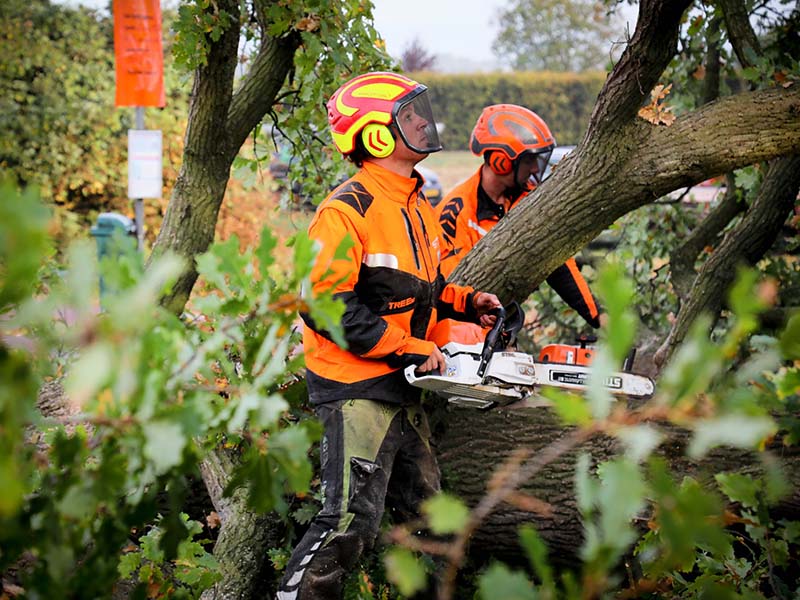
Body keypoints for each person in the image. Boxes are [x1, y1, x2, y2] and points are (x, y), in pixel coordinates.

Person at [277, 72, 502, 600]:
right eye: (410, 116)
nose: (424, 122)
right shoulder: (345, 210)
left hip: (402, 383)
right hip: (356, 387)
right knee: (348, 523)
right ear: (376, 136)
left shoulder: (414, 204)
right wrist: (410, 347)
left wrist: (467, 301)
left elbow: (425, 285)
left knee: (429, 516)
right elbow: (324, 306)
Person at [436, 104, 605, 329]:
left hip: (501, 321)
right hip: (454, 330)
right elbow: (450, 281)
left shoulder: (528, 200)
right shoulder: (456, 210)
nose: (535, 168)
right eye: (528, 160)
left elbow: (558, 263)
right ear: (500, 161)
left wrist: (598, 316)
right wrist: (474, 307)